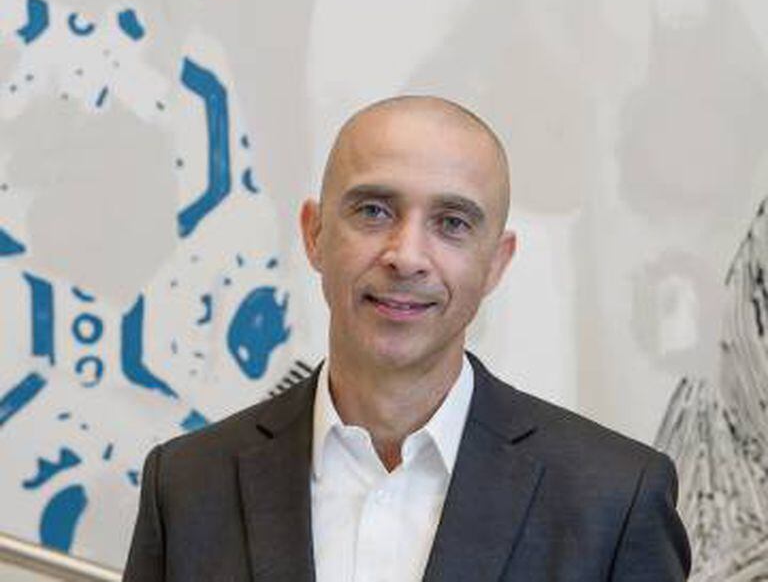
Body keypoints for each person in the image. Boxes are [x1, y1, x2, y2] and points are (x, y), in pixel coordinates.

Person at [123, 96, 691, 581]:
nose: (407, 256)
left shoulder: (615, 501)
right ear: (315, 235)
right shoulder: (185, 486)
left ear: (496, 263)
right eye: (374, 211)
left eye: (452, 223)